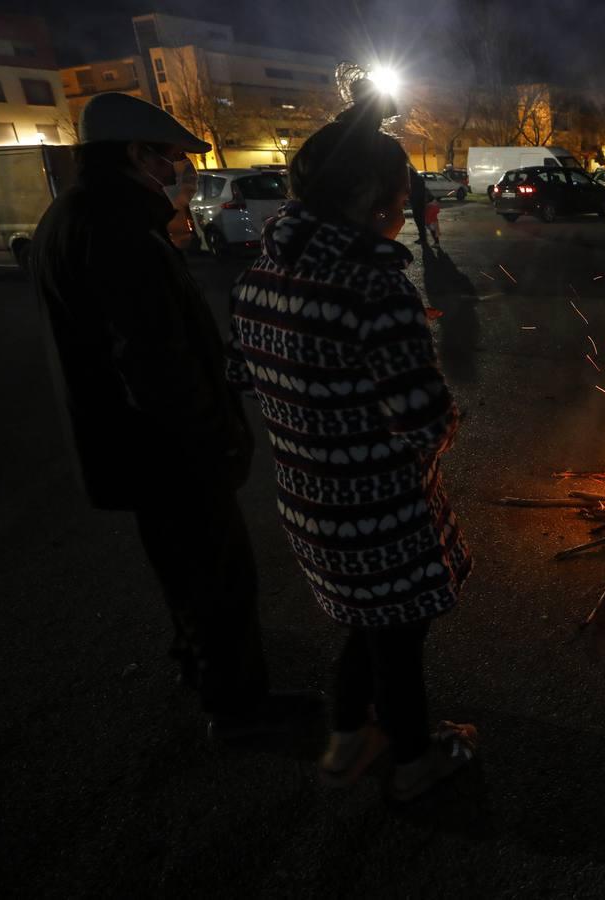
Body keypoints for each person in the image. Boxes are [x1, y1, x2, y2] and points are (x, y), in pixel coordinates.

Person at [30, 92, 321, 741]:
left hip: (129, 448)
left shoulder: (72, 216)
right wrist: (212, 440)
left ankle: (198, 660)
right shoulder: (120, 232)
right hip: (169, 454)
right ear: (134, 154)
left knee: (180, 566)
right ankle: (238, 705)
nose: (176, 173)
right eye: (168, 159)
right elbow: (154, 361)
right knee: (220, 575)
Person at [229, 85, 477, 800]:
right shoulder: (371, 283)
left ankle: (346, 740)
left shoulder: (260, 273)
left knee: (365, 624)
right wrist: (406, 355)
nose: (399, 213)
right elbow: (425, 419)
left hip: (308, 500)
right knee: (399, 637)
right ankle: (410, 761)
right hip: (380, 511)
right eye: (398, 200)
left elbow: (243, 375)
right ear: (369, 194)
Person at [408, 165, 428, 243]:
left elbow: (416, 192)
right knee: (420, 221)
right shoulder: (418, 178)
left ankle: (423, 238)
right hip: (420, 202)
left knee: (419, 221)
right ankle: (423, 237)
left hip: (418, 203)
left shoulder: (414, 180)